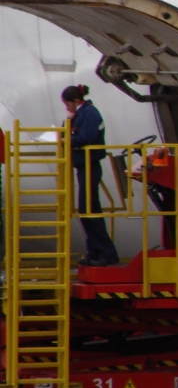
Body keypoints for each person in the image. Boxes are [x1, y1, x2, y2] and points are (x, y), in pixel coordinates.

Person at [62, 85, 119, 266]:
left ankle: (106, 253)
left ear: (76, 102)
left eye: (68, 105)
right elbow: (70, 134)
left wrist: (65, 139)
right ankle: (95, 250)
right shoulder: (80, 114)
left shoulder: (90, 113)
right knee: (86, 211)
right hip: (82, 166)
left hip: (90, 165)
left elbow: (85, 138)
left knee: (90, 211)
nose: (67, 109)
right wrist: (68, 121)